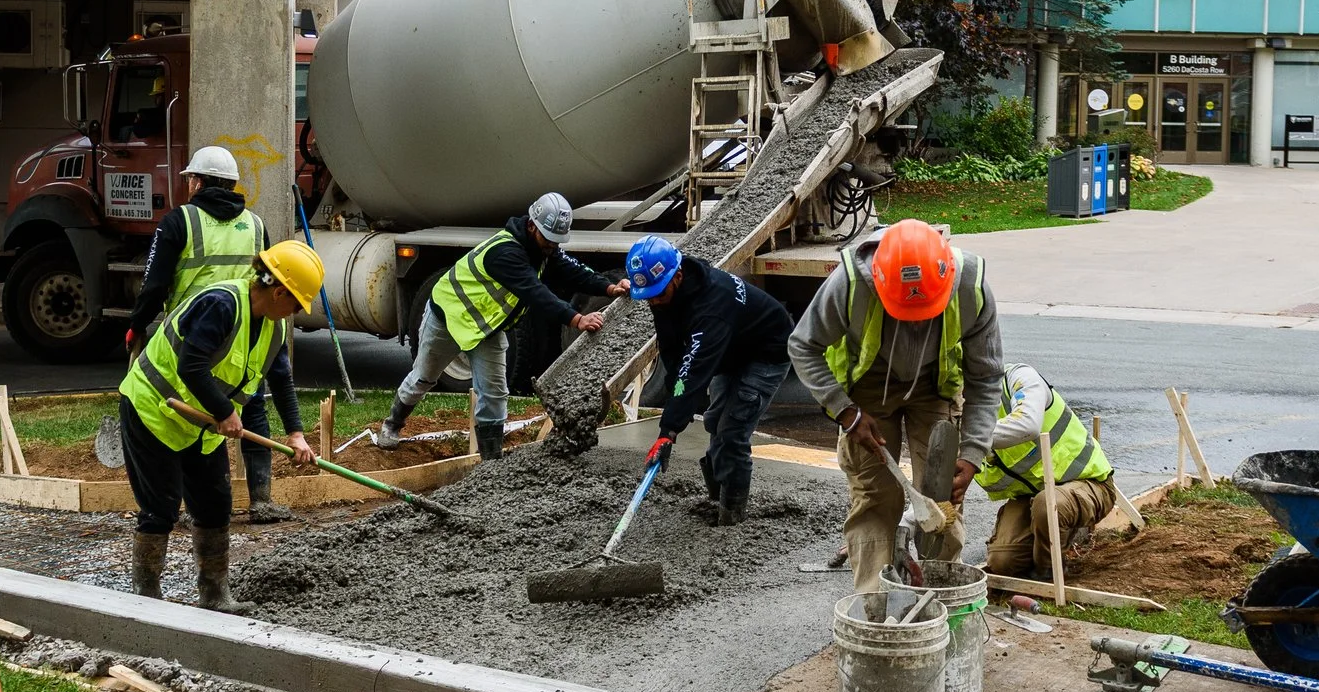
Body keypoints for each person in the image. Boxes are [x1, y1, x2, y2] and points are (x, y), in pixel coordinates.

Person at [786, 218, 1004, 591]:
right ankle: (876, 608)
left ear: (946, 279)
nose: (915, 324)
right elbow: (803, 346)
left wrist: (972, 452)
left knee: (941, 493)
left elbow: (985, 379)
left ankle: (941, 597)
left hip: (934, 386)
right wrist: (846, 411)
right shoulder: (850, 282)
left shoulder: (969, 285)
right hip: (868, 388)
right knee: (876, 496)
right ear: (880, 282)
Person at [118, 241, 324, 613]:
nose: (295, 312)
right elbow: (191, 366)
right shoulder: (222, 305)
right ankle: (146, 600)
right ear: (279, 292)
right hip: (154, 412)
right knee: (161, 507)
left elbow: (281, 380)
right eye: (296, 304)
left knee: (215, 505)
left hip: (202, 427)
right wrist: (225, 411)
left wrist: (295, 432)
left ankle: (215, 596)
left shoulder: (272, 329)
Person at [369, 192, 627, 461]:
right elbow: (535, 292)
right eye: (548, 240)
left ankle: (490, 462)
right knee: (423, 378)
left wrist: (608, 287)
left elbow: (570, 269)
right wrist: (577, 319)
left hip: (486, 330)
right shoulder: (505, 252)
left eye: (556, 241)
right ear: (531, 226)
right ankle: (392, 425)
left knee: (494, 394)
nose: (552, 246)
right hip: (448, 318)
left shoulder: (542, 249)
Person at [126, 145, 293, 525]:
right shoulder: (255, 224)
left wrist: (137, 324)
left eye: (190, 180)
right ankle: (260, 500)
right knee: (251, 405)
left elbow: (155, 284)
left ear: (198, 182)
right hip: (247, 332)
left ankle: (186, 504)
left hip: (193, 338)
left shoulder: (179, 221)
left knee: (188, 415)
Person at [623, 237, 791, 526]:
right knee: (714, 421)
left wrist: (669, 430)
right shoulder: (663, 291)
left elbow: (695, 372)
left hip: (767, 352)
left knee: (732, 429)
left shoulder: (711, 307)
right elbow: (673, 351)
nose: (652, 300)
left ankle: (731, 515)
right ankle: (717, 495)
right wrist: (674, 403)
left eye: (657, 294)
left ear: (677, 276)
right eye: (647, 295)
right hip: (734, 349)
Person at [949, 362, 1116, 582]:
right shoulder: (958, 423)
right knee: (1002, 563)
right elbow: (941, 491)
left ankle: (1049, 572)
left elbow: (1027, 424)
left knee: (1048, 504)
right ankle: (1047, 536)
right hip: (1031, 498)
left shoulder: (1018, 378)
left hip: (1090, 484)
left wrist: (972, 440)